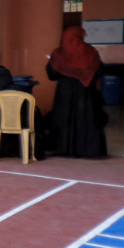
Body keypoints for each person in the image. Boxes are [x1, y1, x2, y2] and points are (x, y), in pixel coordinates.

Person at [45, 26, 107, 158]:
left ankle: (63, 149)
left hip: (64, 92)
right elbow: (99, 71)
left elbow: (52, 74)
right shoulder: (90, 51)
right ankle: (87, 150)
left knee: (64, 118)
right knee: (86, 118)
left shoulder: (58, 53)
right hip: (85, 92)